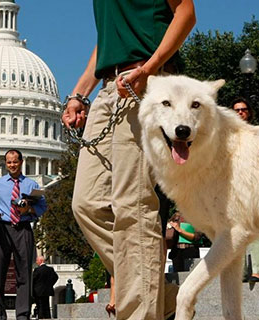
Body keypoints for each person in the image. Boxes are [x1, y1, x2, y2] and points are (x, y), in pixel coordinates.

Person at [62, 1, 196, 319]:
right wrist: (81, 92)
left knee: (132, 205)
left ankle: (140, 312)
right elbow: (110, 40)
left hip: (146, 81)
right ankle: (162, 299)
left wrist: (149, 69)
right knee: (87, 203)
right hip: (109, 88)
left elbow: (186, 14)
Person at [0, 149, 47, 320]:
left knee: (24, 272)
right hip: (2, 227)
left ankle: (22, 315)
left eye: (15, 161)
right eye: (8, 162)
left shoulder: (31, 185)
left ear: (21, 162)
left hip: (23, 227)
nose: (12, 165)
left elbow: (42, 207)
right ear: (5, 163)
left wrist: (28, 209)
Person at [232, 97, 259, 282]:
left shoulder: (257, 133)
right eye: (237, 110)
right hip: (233, 186)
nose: (240, 112)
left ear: (249, 112)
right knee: (236, 229)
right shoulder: (227, 134)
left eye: (243, 109)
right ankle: (241, 271)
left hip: (253, 183)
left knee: (254, 225)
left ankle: (258, 269)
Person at [32, 255, 58, 319]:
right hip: (47, 290)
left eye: (37, 260)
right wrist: (50, 284)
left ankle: (41, 317)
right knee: (46, 304)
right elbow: (56, 277)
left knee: (39, 304)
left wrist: (33, 287)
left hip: (38, 290)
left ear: (41, 261)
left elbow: (33, 279)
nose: (36, 262)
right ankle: (47, 316)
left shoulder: (37, 270)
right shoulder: (50, 269)